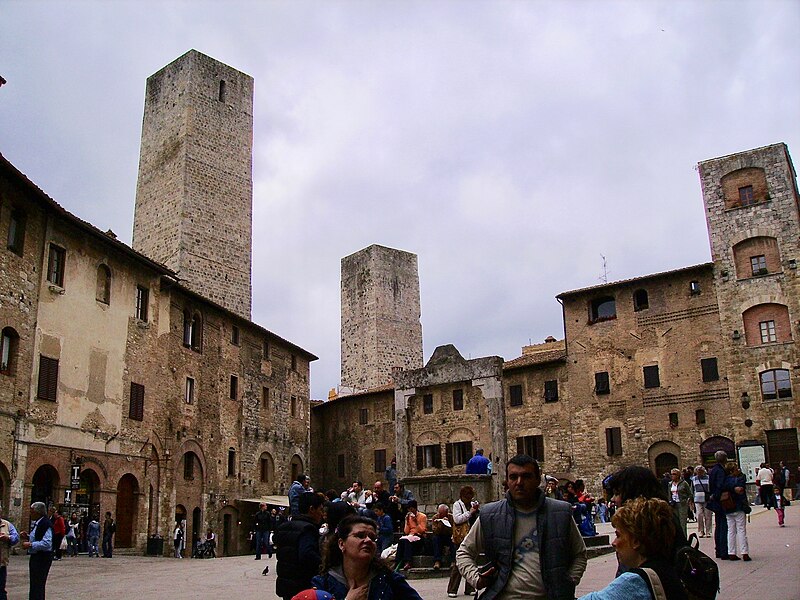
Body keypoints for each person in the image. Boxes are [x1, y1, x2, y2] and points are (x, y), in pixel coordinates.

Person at [456, 454, 587, 600]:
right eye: (513, 477)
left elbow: (579, 554)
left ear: (538, 480)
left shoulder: (560, 513)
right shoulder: (491, 515)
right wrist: (476, 579)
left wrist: (568, 582)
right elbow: (464, 552)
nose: (519, 482)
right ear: (507, 481)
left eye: (526, 476)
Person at [577, 497, 688, 600]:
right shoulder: (667, 568)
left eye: (618, 535)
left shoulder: (635, 581)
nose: (614, 543)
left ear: (636, 541)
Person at [311, 515, 423, 600]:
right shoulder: (323, 584)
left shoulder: (390, 580)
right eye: (360, 536)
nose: (368, 541)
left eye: (373, 538)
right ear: (341, 544)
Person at [274, 491, 325, 600]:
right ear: (311, 509)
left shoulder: (285, 527)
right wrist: (324, 564)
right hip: (301, 584)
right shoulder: (308, 529)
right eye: (320, 509)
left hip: (286, 583)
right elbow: (307, 554)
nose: (322, 514)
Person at [448, 486, 478, 598]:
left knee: (471, 561)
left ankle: (470, 587)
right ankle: (452, 589)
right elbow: (457, 519)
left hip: (471, 535)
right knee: (458, 563)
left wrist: (475, 510)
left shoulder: (471, 504)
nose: (469, 500)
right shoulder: (457, 505)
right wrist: (469, 513)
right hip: (461, 537)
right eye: (467, 497)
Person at [21, 502, 53, 600]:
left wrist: (30, 544)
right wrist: (28, 537)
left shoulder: (45, 523)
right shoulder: (39, 522)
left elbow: (47, 543)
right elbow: (38, 536)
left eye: (32, 511)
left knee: (38, 584)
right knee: (34, 583)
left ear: (37, 512)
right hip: (37, 556)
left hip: (42, 558)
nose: (30, 513)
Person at [723, 463, 750, 561]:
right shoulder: (739, 479)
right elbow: (742, 487)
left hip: (728, 506)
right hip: (738, 506)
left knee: (731, 530)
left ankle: (731, 552)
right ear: (732, 471)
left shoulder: (725, 480)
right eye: (735, 468)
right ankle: (744, 552)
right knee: (741, 529)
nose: (738, 470)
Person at [707, 450, 729, 559]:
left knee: (718, 525)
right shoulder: (720, 470)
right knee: (723, 526)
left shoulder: (713, 470)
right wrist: (716, 495)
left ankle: (718, 550)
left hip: (715, 501)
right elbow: (720, 485)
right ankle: (723, 551)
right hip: (720, 501)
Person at [394, 500, 427, 571]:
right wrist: (407, 522)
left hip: (419, 536)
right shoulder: (409, 517)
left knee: (407, 541)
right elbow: (406, 531)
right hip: (410, 536)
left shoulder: (422, 516)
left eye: (411, 509)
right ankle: (397, 561)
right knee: (402, 540)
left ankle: (408, 561)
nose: (410, 511)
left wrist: (416, 522)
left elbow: (422, 530)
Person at [0, 503, 20, 600]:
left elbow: (16, 537)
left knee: (1, 589)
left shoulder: (7, 525)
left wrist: (8, 538)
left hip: (1, 562)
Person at [668, 468, 691, 537]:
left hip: (682, 504)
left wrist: (688, 500)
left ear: (678, 475)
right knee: (675, 522)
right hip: (673, 504)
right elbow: (669, 494)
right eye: (671, 474)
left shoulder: (684, 483)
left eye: (674, 474)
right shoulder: (670, 484)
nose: (672, 476)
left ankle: (684, 537)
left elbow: (689, 493)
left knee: (682, 522)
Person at [430, 504, 454, 570]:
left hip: (449, 536)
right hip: (439, 536)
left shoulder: (451, 517)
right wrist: (440, 524)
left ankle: (453, 561)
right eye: (440, 513)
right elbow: (435, 531)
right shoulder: (435, 518)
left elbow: (453, 531)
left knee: (453, 540)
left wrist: (447, 524)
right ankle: (437, 561)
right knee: (435, 539)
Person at [691, 466, 712, 538]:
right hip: (697, 498)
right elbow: (692, 489)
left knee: (708, 515)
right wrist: (691, 498)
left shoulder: (708, 478)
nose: (699, 473)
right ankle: (701, 530)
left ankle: (708, 531)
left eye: (700, 471)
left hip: (707, 498)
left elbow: (710, 488)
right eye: (698, 472)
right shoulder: (694, 479)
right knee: (699, 515)